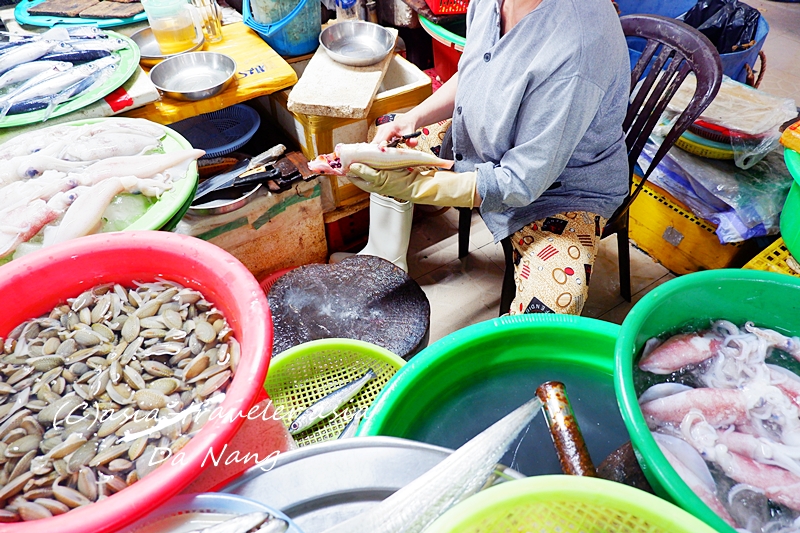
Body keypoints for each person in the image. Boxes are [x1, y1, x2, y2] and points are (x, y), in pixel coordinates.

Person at [347, 0, 631, 315]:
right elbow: (474, 70)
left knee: (550, 307)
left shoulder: (579, 41)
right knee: (385, 146)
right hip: (486, 138)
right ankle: (385, 260)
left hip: (561, 191)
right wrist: (408, 121)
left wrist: (419, 186)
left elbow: (522, 181)